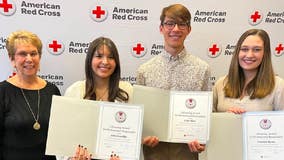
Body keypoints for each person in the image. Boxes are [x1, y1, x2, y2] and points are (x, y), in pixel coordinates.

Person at [136, 4, 211, 160]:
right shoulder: (145, 70)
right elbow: (139, 114)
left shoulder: (202, 69)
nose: (175, 29)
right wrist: (142, 136)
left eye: (182, 24)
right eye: (170, 23)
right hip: (154, 149)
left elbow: (206, 114)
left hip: (187, 149)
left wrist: (201, 140)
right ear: (161, 28)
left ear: (189, 29)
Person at [63, 37, 133, 160]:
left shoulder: (127, 90)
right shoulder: (75, 91)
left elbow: (133, 135)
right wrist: (71, 158)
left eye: (111, 57)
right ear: (90, 60)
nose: (105, 62)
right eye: (99, 56)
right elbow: (64, 136)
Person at [0, 30, 61, 160]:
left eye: (34, 53)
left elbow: (60, 134)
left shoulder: (52, 90)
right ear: (12, 59)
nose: (29, 59)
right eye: (22, 54)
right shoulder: (2, 91)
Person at [213, 29, 284, 113]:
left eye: (257, 49)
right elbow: (209, 121)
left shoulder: (278, 86)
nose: (249, 55)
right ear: (237, 52)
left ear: (265, 53)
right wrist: (227, 118)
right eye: (244, 49)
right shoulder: (221, 83)